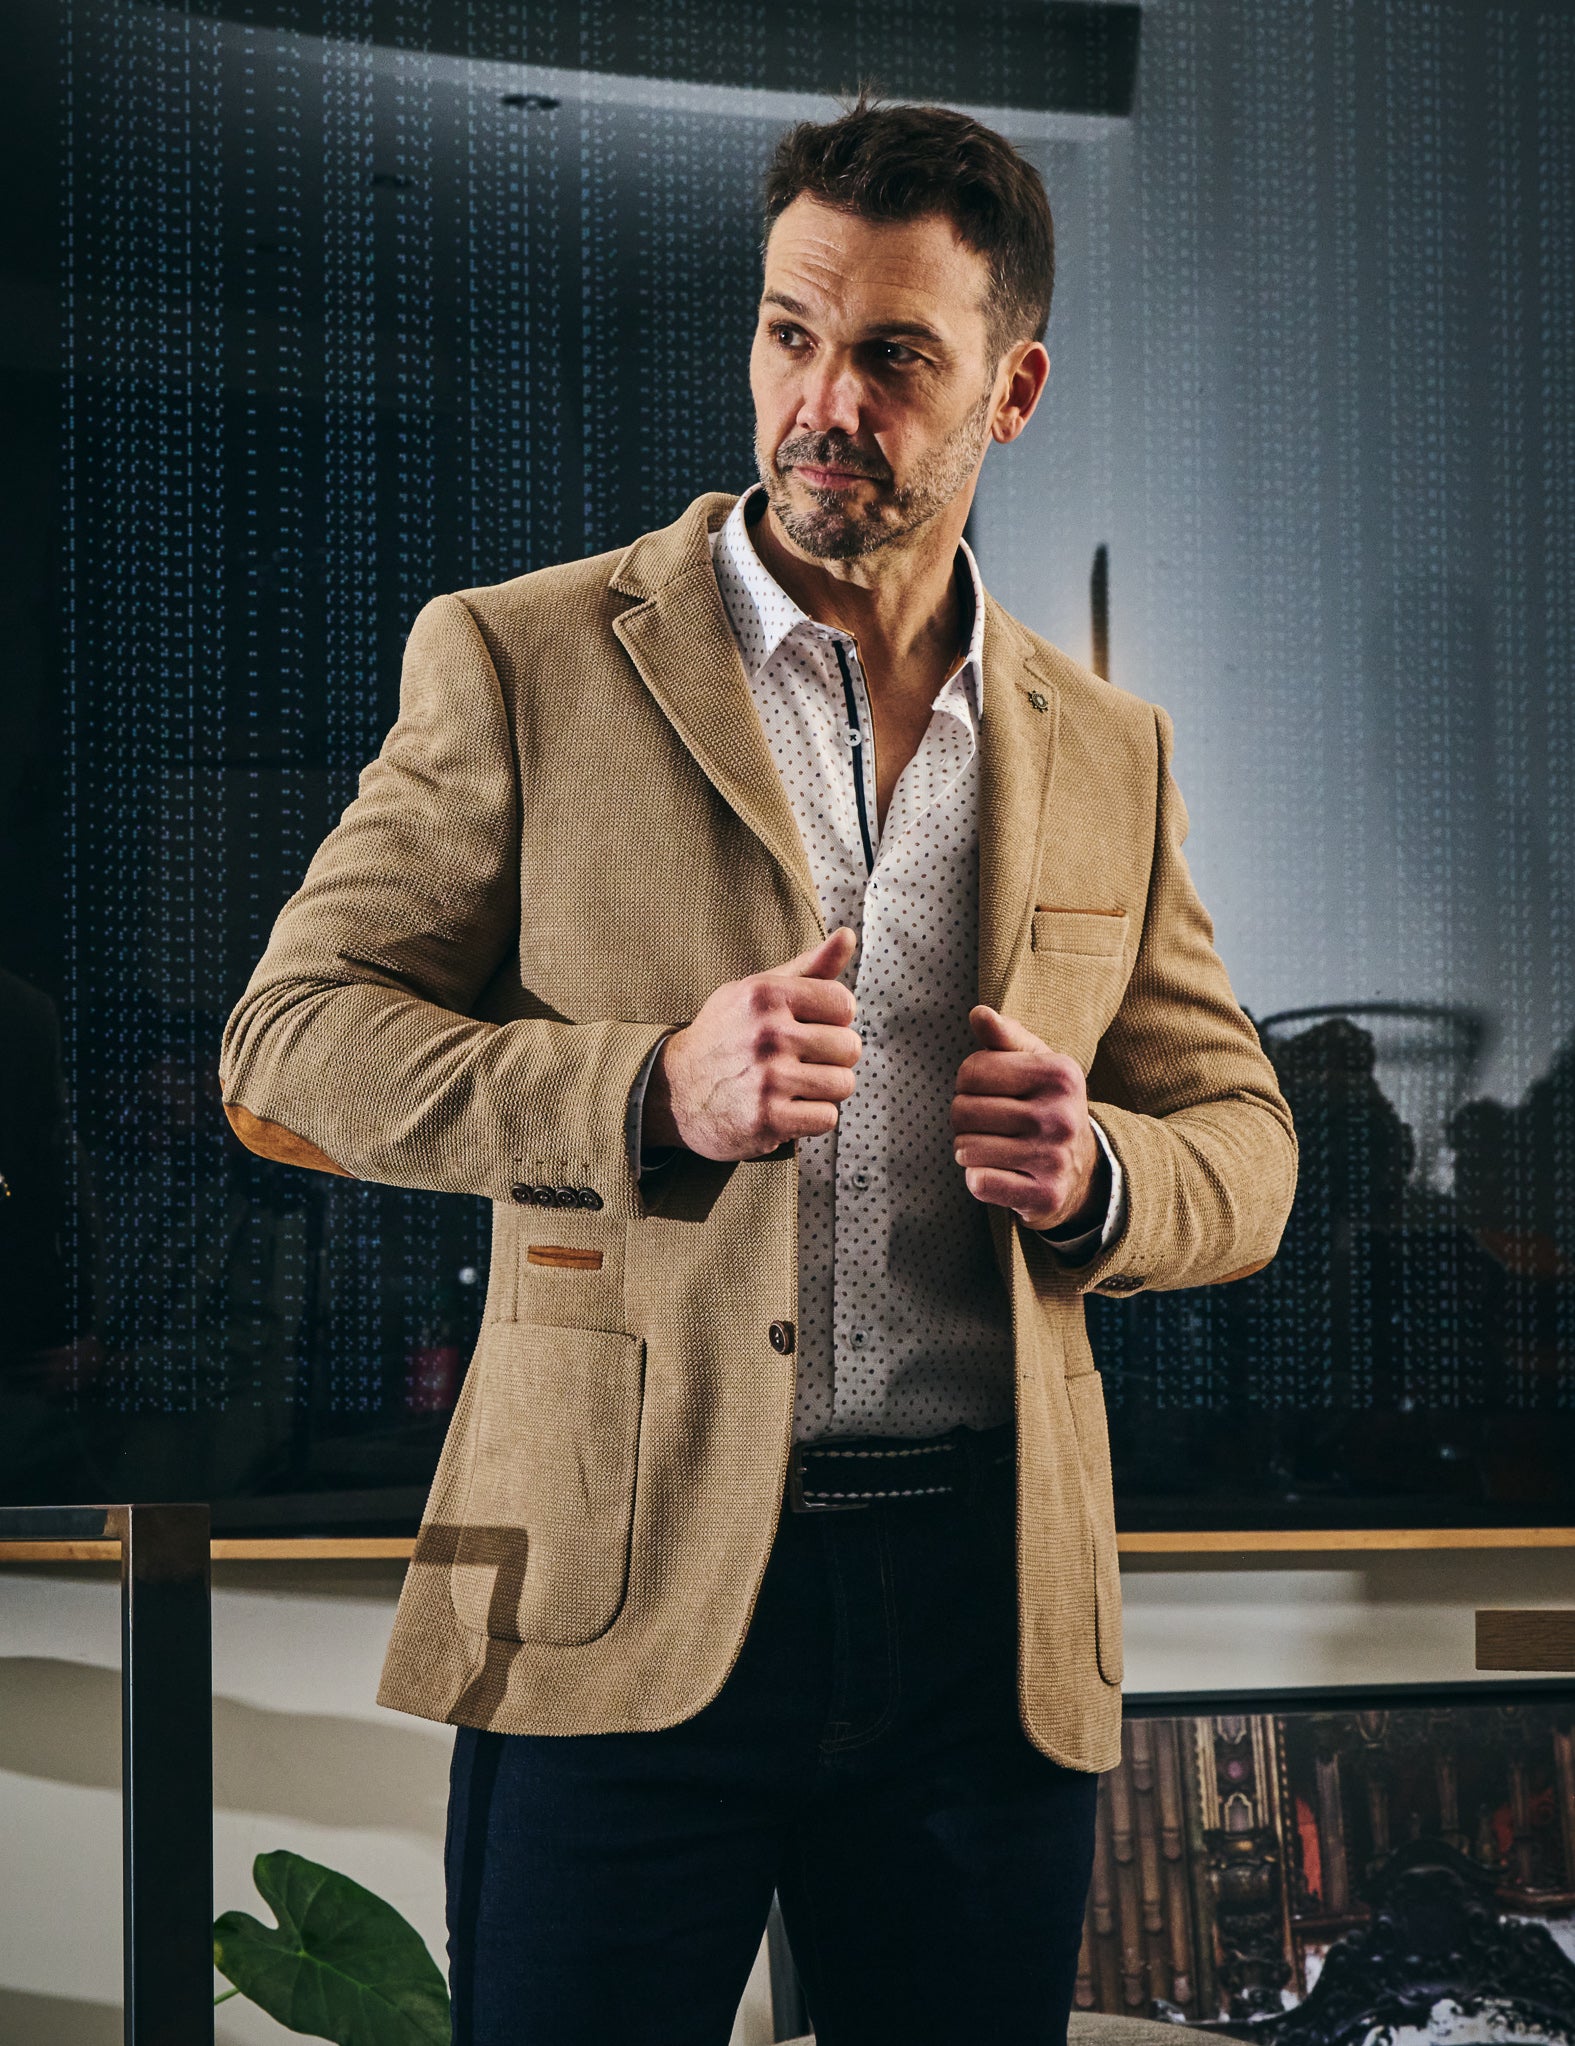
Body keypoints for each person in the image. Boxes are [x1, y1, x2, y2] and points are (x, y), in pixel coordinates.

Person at [220, 93, 1297, 2046]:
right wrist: (645, 1090)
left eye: (893, 356)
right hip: (619, 1593)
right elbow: (285, 1047)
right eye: (790, 332)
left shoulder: (1106, 751)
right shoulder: (523, 658)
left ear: (1012, 389)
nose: (823, 400)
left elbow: (1246, 1143)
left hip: (986, 1621)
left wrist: (1105, 1179)